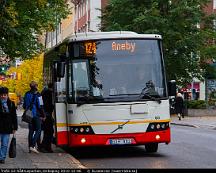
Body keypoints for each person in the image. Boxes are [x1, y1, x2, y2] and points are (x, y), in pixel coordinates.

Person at [23, 81, 45, 153]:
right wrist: (43, 115)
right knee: (38, 129)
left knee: (31, 131)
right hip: (36, 115)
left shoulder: (26, 94)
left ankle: (30, 148)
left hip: (29, 114)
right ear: (36, 86)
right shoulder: (38, 95)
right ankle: (32, 146)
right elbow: (40, 106)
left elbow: (24, 105)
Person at [0, 87, 18, 164]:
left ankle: (2, 157)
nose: (3, 96)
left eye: (4, 95)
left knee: (4, 143)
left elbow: (14, 116)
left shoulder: (11, 103)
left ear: (7, 95)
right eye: (1, 95)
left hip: (7, 127)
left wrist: (15, 127)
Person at [40, 83, 54, 153]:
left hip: (46, 114)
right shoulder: (48, 93)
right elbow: (47, 105)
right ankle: (44, 147)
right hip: (46, 115)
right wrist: (52, 106)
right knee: (49, 131)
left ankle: (47, 147)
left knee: (48, 131)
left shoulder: (44, 92)